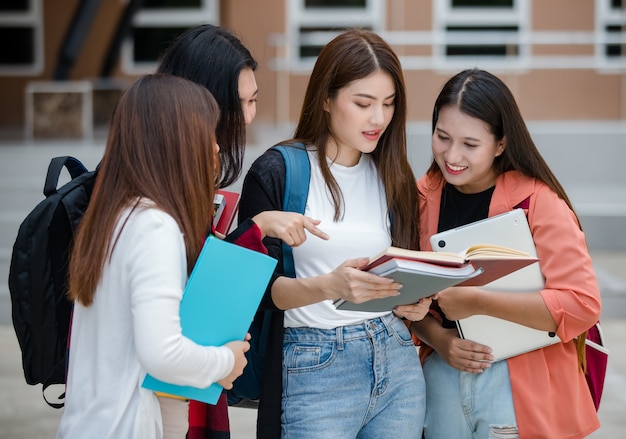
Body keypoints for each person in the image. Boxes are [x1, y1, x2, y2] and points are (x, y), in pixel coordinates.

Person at [239, 28, 430, 438]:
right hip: (314, 365)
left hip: (395, 359)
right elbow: (256, 292)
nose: (378, 118)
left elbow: (400, 270)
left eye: (389, 104)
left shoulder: (392, 176)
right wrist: (329, 286)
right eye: (363, 103)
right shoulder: (278, 171)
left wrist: (414, 303)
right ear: (326, 98)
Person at [156, 24, 329, 438]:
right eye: (240, 103)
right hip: (161, 387)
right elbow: (187, 286)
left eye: (254, 100)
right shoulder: (162, 180)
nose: (249, 116)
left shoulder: (182, 165)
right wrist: (259, 227)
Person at [55, 74, 251, 438]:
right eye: (208, 134)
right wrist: (225, 361)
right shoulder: (155, 227)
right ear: (179, 142)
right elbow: (161, 352)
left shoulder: (113, 216)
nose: (216, 148)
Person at [410, 68, 602, 438]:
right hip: (441, 380)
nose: (452, 155)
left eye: (470, 144)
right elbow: (405, 300)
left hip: (520, 383)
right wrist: (441, 340)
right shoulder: (419, 197)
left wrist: (478, 302)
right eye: (442, 136)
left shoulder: (538, 202)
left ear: (500, 144)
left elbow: (582, 304)